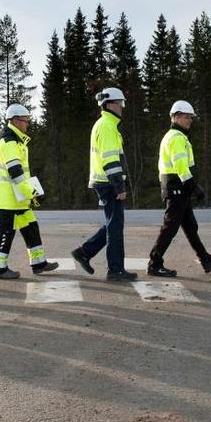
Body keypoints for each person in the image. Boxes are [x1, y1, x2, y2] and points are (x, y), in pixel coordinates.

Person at [147, 100, 211, 277]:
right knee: (170, 227)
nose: (190, 120)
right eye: (186, 117)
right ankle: (154, 264)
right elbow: (181, 166)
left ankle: (206, 260)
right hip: (176, 186)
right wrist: (194, 187)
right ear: (175, 117)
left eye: (191, 117)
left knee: (190, 226)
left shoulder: (178, 136)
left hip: (178, 187)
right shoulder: (176, 138)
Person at [72, 87, 136, 281]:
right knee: (115, 227)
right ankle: (115, 270)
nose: (122, 107)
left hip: (104, 182)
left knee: (112, 224)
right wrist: (119, 187)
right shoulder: (107, 126)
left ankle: (84, 252)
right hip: (108, 183)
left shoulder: (104, 124)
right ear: (110, 104)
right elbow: (110, 160)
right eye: (120, 103)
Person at [0, 104, 59, 279]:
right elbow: (16, 173)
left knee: (31, 228)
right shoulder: (9, 141)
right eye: (25, 120)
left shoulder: (17, 140)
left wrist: (31, 194)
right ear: (14, 121)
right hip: (8, 200)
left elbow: (22, 174)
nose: (28, 123)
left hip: (18, 198)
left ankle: (39, 263)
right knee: (6, 233)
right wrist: (33, 193)